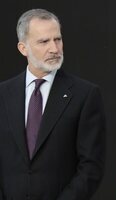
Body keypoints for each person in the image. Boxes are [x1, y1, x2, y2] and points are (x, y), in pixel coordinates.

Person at [0, 8, 106, 200]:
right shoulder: (3, 95)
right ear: (23, 48)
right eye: (44, 41)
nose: (55, 49)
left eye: (57, 39)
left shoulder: (85, 95)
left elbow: (91, 167)